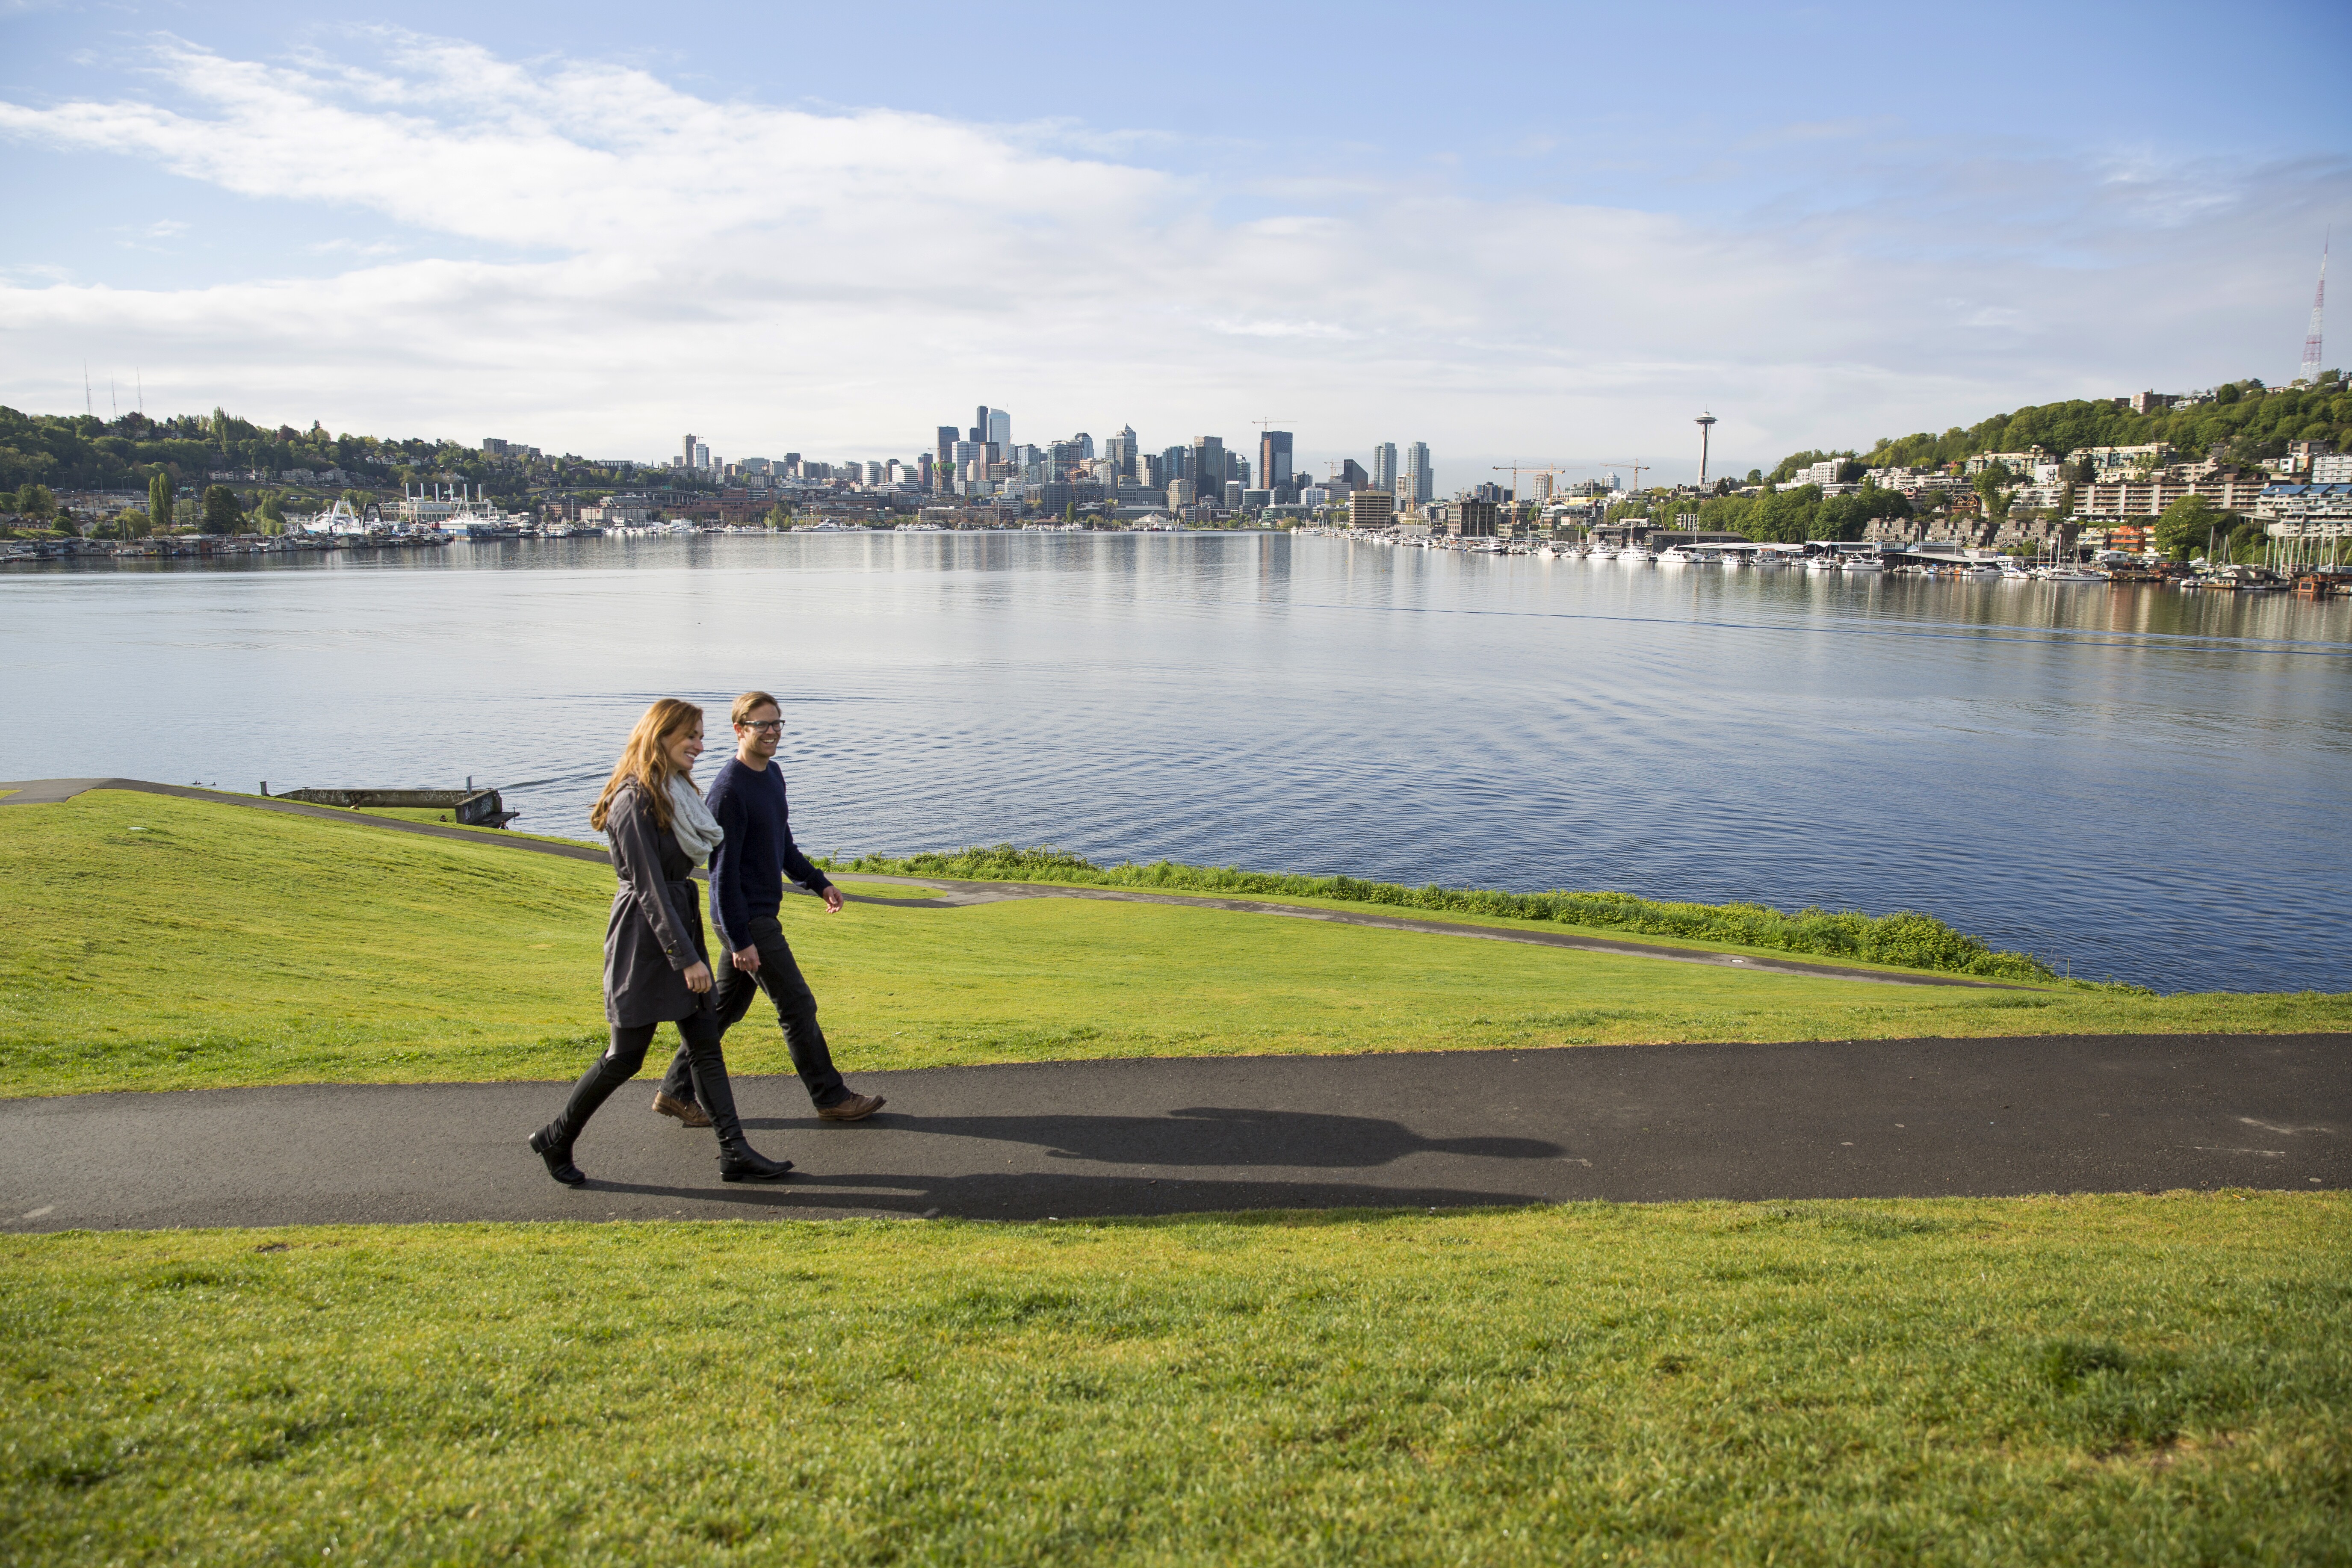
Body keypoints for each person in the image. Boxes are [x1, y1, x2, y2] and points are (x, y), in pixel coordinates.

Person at [529, 698, 793, 1186]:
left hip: (678, 920)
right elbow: (648, 890)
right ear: (661, 737)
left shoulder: (673, 790)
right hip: (645, 939)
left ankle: (734, 1153)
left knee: (705, 1045)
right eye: (690, 736)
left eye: (700, 735)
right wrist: (688, 958)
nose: (699, 744)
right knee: (626, 1056)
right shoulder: (632, 800)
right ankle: (557, 1136)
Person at [649, 689, 887, 1128]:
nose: (772, 732)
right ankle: (830, 1096)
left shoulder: (772, 775)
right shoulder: (728, 791)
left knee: (722, 1011)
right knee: (797, 1005)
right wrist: (740, 939)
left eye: (777, 723)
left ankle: (673, 1092)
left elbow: (783, 846)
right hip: (747, 919)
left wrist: (818, 882)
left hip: (754, 916)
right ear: (740, 729)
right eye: (762, 725)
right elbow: (721, 875)